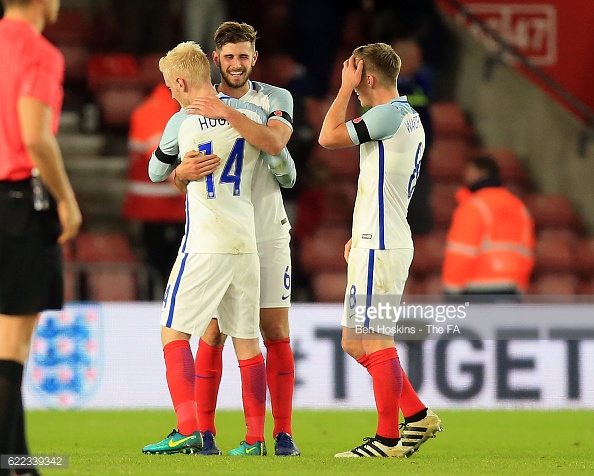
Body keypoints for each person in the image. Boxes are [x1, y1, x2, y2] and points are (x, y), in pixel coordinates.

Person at [143, 40, 294, 457]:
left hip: (207, 243)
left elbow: (158, 171)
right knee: (247, 341)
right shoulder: (251, 116)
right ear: (214, 64)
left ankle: (189, 428)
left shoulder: (183, 123)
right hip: (247, 241)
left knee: (174, 331)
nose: (171, 94)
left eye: (169, 86)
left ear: (179, 82)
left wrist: (181, 173)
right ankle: (255, 439)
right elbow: (284, 167)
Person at [318, 43, 442, 458]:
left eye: (357, 83)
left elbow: (328, 137)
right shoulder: (407, 116)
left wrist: (341, 89)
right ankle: (418, 414)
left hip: (382, 242)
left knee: (375, 339)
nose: (354, 91)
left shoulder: (387, 114)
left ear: (367, 79)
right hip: (378, 237)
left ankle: (388, 439)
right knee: (356, 342)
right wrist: (359, 231)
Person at [0, 1, 82, 475]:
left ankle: (21, 462)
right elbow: (35, 136)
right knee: (12, 346)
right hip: (18, 205)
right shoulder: (39, 52)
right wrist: (66, 199)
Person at [121, 82, 186, 293]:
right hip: (162, 205)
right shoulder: (160, 112)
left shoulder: (156, 109)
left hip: (158, 205)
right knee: (168, 269)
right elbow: (162, 159)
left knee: (163, 265)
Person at [442, 155, 535, 299]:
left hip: (475, 289)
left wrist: (451, 290)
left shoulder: (473, 206)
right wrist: (520, 287)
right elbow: (527, 252)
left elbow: (461, 251)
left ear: (482, 172)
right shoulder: (519, 207)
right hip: (510, 288)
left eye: (469, 171)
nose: (465, 176)